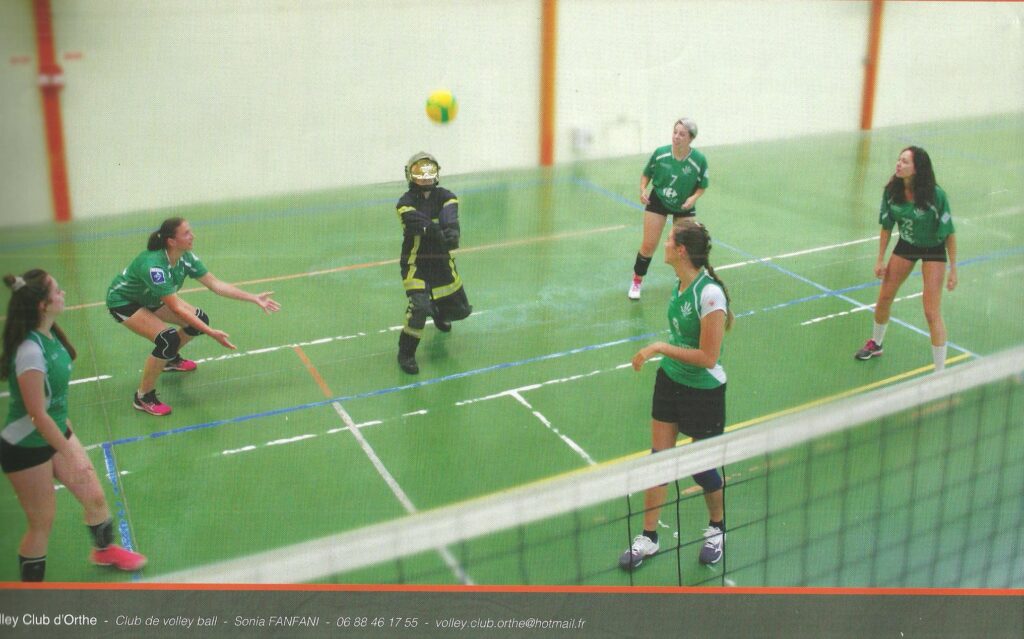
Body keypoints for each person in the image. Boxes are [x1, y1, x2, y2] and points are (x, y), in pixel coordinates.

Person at [2, 270, 147, 581]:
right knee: (41, 523)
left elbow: (53, 403)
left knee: (94, 496)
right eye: (57, 290)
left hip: (55, 431)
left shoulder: (50, 332)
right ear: (42, 304)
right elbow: (36, 414)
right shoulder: (29, 351)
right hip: (25, 446)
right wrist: (67, 450)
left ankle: (104, 551)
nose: (63, 293)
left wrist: (66, 436)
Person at [619, 218, 733, 570]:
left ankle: (717, 529)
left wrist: (659, 347)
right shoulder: (680, 284)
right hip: (670, 383)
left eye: (669, 240)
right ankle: (648, 538)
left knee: (702, 470)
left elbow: (707, 357)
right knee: (659, 460)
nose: (663, 245)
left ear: (681, 250)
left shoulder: (709, 294)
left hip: (703, 390)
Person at [106, 217, 281, 415]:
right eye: (186, 233)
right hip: (125, 302)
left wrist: (254, 298)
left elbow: (215, 284)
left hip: (151, 297)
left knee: (198, 321)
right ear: (172, 241)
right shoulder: (154, 266)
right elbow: (176, 307)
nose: (193, 236)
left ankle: (169, 360)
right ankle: (143, 396)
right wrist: (211, 333)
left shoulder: (186, 257)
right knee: (167, 339)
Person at [854, 146, 957, 371]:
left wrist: (954, 269)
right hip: (907, 244)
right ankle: (876, 343)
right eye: (898, 160)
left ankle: (940, 373)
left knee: (931, 311)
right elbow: (886, 226)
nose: (898, 164)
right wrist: (880, 259)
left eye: (904, 161)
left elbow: (949, 232)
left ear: (917, 169)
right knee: (884, 297)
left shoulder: (935, 196)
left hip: (933, 248)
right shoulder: (892, 191)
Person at [395, 152, 472, 374]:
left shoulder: (447, 196)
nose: (426, 178)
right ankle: (406, 353)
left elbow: (450, 215)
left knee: (460, 310)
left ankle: (439, 313)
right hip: (415, 264)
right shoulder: (405, 203)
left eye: (430, 172)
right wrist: (436, 230)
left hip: (441, 264)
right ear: (410, 176)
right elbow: (415, 222)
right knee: (419, 307)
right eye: (420, 173)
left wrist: (452, 232)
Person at [628, 118, 709, 300]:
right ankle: (637, 280)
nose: (677, 137)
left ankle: (682, 283)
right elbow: (646, 174)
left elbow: (702, 185)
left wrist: (693, 198)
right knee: (649, 245)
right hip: (659, 201)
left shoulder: (698, 160)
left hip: (684, 205)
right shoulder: (661, 154)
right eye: (675, 132)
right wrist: (643, 190)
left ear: (690, 139)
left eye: (682, 134)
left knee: (682, 247)